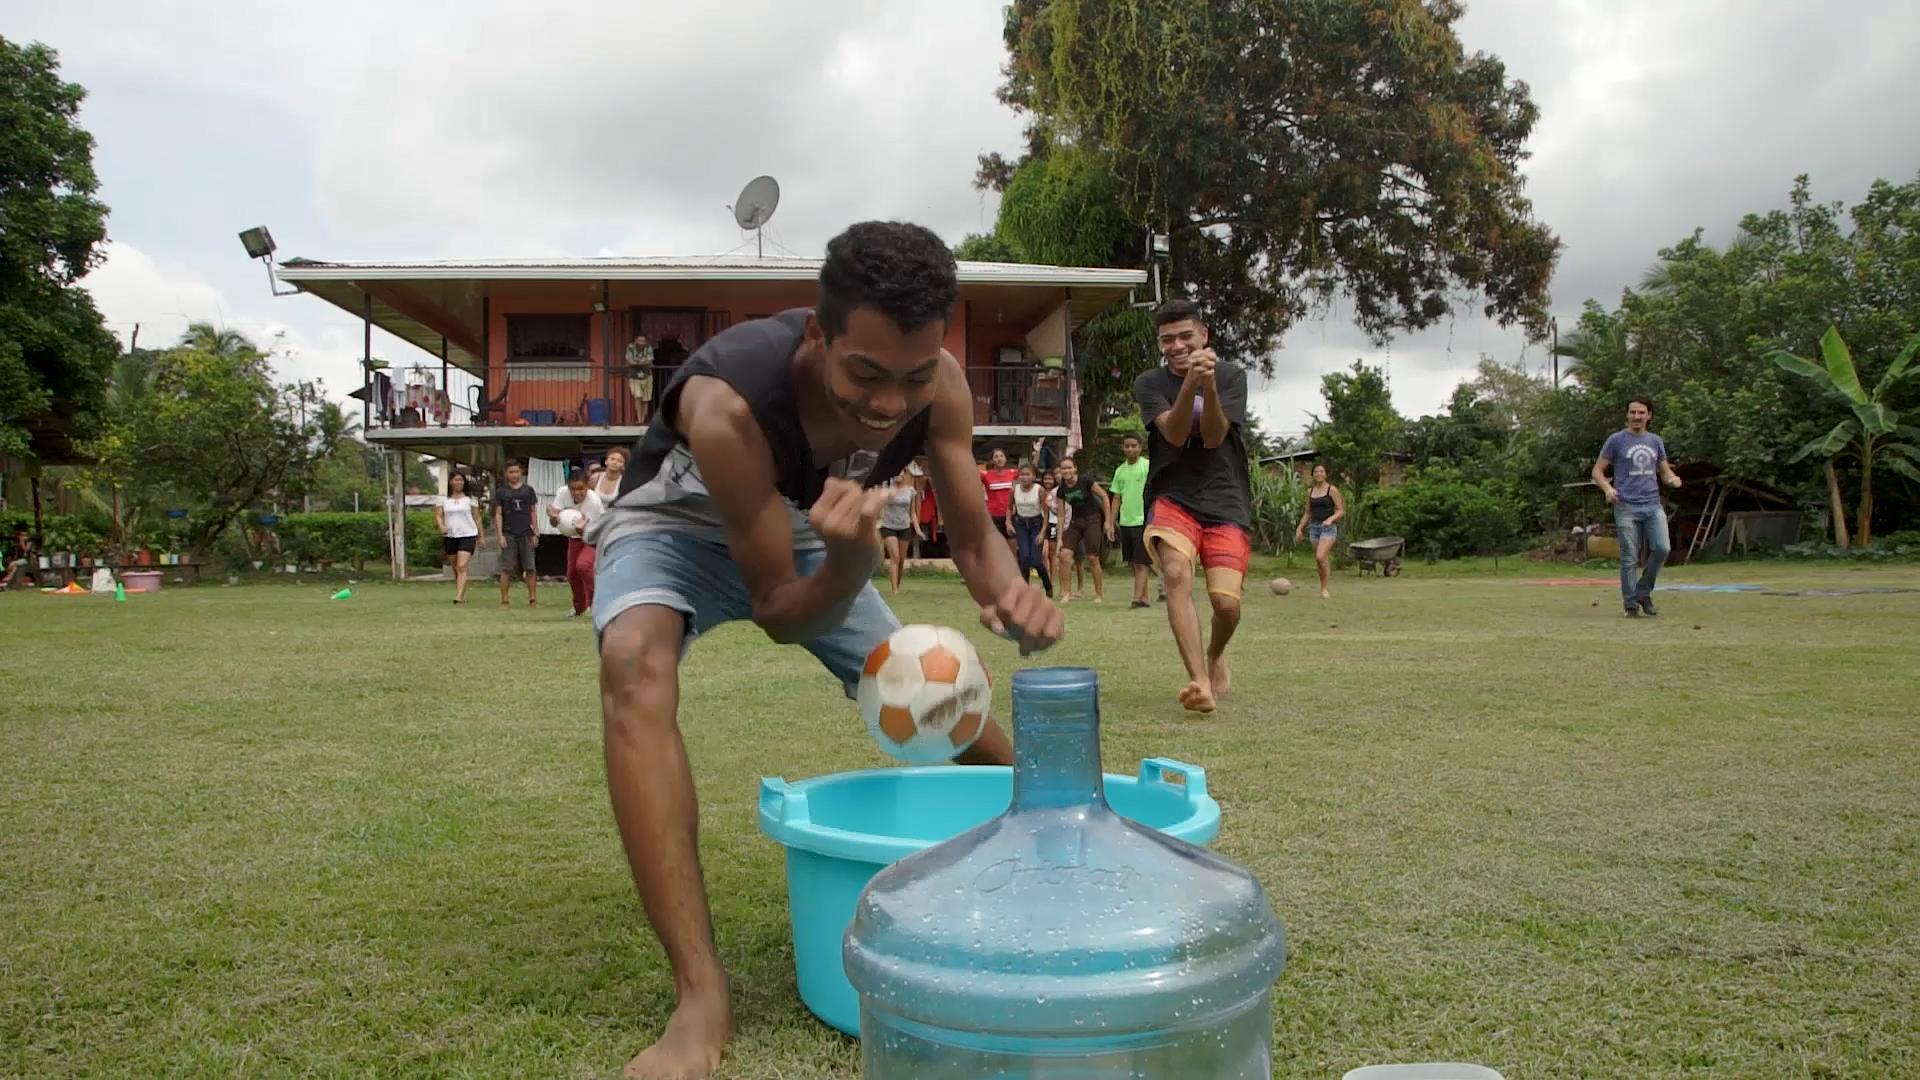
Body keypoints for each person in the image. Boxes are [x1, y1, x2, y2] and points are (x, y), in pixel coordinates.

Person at [589, 221, 1062, 1080]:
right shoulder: (727, 404)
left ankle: (1062, 844)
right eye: (866, 374)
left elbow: (970, 532)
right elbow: (780, 613)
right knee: (632, 665)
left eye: (914, 376)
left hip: (807, 532)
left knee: (931, 688)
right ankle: (701, 994)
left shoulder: (939, 386)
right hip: (678, 529)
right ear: (817, 334)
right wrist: (848, 560)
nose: (889, 403)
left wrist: (1007, 593)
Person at [1134, 299, 1252, 714]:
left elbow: (1216, 435)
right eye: (1168, 339)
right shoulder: (1149, 384)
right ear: (1159, 343)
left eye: (1186, 336)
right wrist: (1190, 385)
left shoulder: (1232, 375)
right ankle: (1199, 680)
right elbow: (1178, 434)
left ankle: (1216, 653)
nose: (1178, 345)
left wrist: (1210, 385)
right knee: (1175, 572)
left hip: (1225, 495)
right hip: (1174, 492)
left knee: (1227, 605)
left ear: (1205, 336)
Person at [1593, 397, 1682, 617]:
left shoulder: (1655, 441)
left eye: (1641, 413)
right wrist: (1608, 489)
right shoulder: (1616, 440)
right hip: (1626, 506)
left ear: (1649, 415)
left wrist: (1672, 478)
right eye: (1632, 412)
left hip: (1652, 504)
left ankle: (1642, 592)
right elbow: (1597, 471)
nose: (1636, 417)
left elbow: (1663, 470)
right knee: (1629, 556)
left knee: (1662, 548)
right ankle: (1630, 605)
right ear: (1627, 415)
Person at [549, 469, 607, 617]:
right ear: (568, 486)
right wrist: (553, 517)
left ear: (587, 486)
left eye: (581, 488)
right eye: (573, 489)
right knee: (572, 573)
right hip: (574, 538)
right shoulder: (562, 493)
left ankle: (601, 603)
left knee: (584, 565)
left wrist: (582, 529)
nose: (577, 493)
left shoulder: (593, 502)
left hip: (594, 537)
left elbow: (595, 531)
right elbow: (554, 519)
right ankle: (579, 606)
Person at [1108, 432, 1153, 608]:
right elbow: (1116, 498)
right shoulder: (1120, 471)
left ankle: (1136, 599)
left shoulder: (1147, 466)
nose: (1130, 449)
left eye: (1133, 446)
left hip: (1143, 520)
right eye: (1127, 446)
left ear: (1140, 448)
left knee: (1142, 562)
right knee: (1135, 562)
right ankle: (1145, 597)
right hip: (1127, 520)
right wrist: (1111, 522)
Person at [1056, 457, 1110, 603]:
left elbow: (1104, 496)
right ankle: (1066, 593)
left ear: (1075, 469)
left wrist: (1108, 522)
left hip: (1092, 519)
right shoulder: (1062, 489)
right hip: (1075, 521)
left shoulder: (1085, 481)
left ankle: (1099, 594)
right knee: (1065, 556)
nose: (1066, 471)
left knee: (1092, 558)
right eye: (1063, 468)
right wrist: (1060, 537)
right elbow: (1061, 515)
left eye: (1069, 468)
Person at [492, 461, 542, 607]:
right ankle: (504, 599)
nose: (514, 475)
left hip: (526, 533)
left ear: (521, 473)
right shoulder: (502, 492)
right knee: (506, 567)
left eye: (516, 472)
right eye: (511, 472)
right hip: (509, 533)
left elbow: (532, 511)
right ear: (506, 474)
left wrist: (535, 531)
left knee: (530, 567)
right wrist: (500, 535)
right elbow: (498, 514)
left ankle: (533, 599)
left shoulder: (528, 490)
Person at [1294, 463, 1345, 599]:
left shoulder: (1331, 490)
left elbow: (1341, 510)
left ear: (1326, 474)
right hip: (1315, 528)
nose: (1318, 474)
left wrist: (1330, 519)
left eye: (1321, 471)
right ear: (1312, 474)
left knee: (1320, 556)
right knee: (1321, 560)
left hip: (1328, 528)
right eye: (1316, 472)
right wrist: (1300, 529)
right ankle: (1323, 587)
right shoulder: (1310, 492)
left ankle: (1325, 589)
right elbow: (1307, 512)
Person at [435, 473, 482, 603]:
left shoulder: (470, 499)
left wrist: (481, 536)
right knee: (455, 566)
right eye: (456, 479)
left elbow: (477, 518)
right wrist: (441, 526)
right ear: (451, 482)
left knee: (462, 566)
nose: (459, 482)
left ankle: (458, 597)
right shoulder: (443, 499)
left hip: (468, 534)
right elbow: (438, 515)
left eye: (461, 480)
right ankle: (462, 591)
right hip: (451, 535)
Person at [1009, 461, 1054, 597]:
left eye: (1028, 474)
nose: (1025, 477)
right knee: (1024, 558)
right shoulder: (1014, 489)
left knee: (1035, 560)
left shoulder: (1039, 490)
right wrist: (1008, 522)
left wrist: (1042, 532)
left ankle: (1048, 585)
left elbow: (1046, 513)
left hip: (1036, 524)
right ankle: (1024, 590)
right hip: (1021, 523)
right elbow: (1009, 507)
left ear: (1034, 476)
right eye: (1022, 474)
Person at [878, 470, 920, 593]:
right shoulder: (886, 489)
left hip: (904, 527)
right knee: (894, 557)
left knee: (901, 559)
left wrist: (917, 529)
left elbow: (912, 512)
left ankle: (898, 584)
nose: (898, 475)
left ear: (905, 475)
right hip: (888, 526)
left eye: (900, 472)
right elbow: (879, 507)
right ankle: (894, 589)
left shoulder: (910, 491)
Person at [979, 447, 1018, 556]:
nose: (999, 459)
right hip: (993, 515)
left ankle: (1013, 571)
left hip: (1010, 515)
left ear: (1005, 459)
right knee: (996, 549)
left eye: (1001, 456)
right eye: (996, 457)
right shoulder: (985, 475)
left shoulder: (1011, 473)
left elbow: (1030, 470)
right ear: (992, 460)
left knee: (1012, 548)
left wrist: (1037, 452)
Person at [1040, 466, 1063, 586]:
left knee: (1052, 555)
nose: (1047, 481)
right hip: (1042, 523)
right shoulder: (1039, 491)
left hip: (1053, 523)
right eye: (1045, 479)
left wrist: (1051, 506)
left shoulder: (1057, 492)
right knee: (1044, 553)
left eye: (1050, 479)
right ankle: (1046, 578)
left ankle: (1053, 581)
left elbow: (1060, 511)